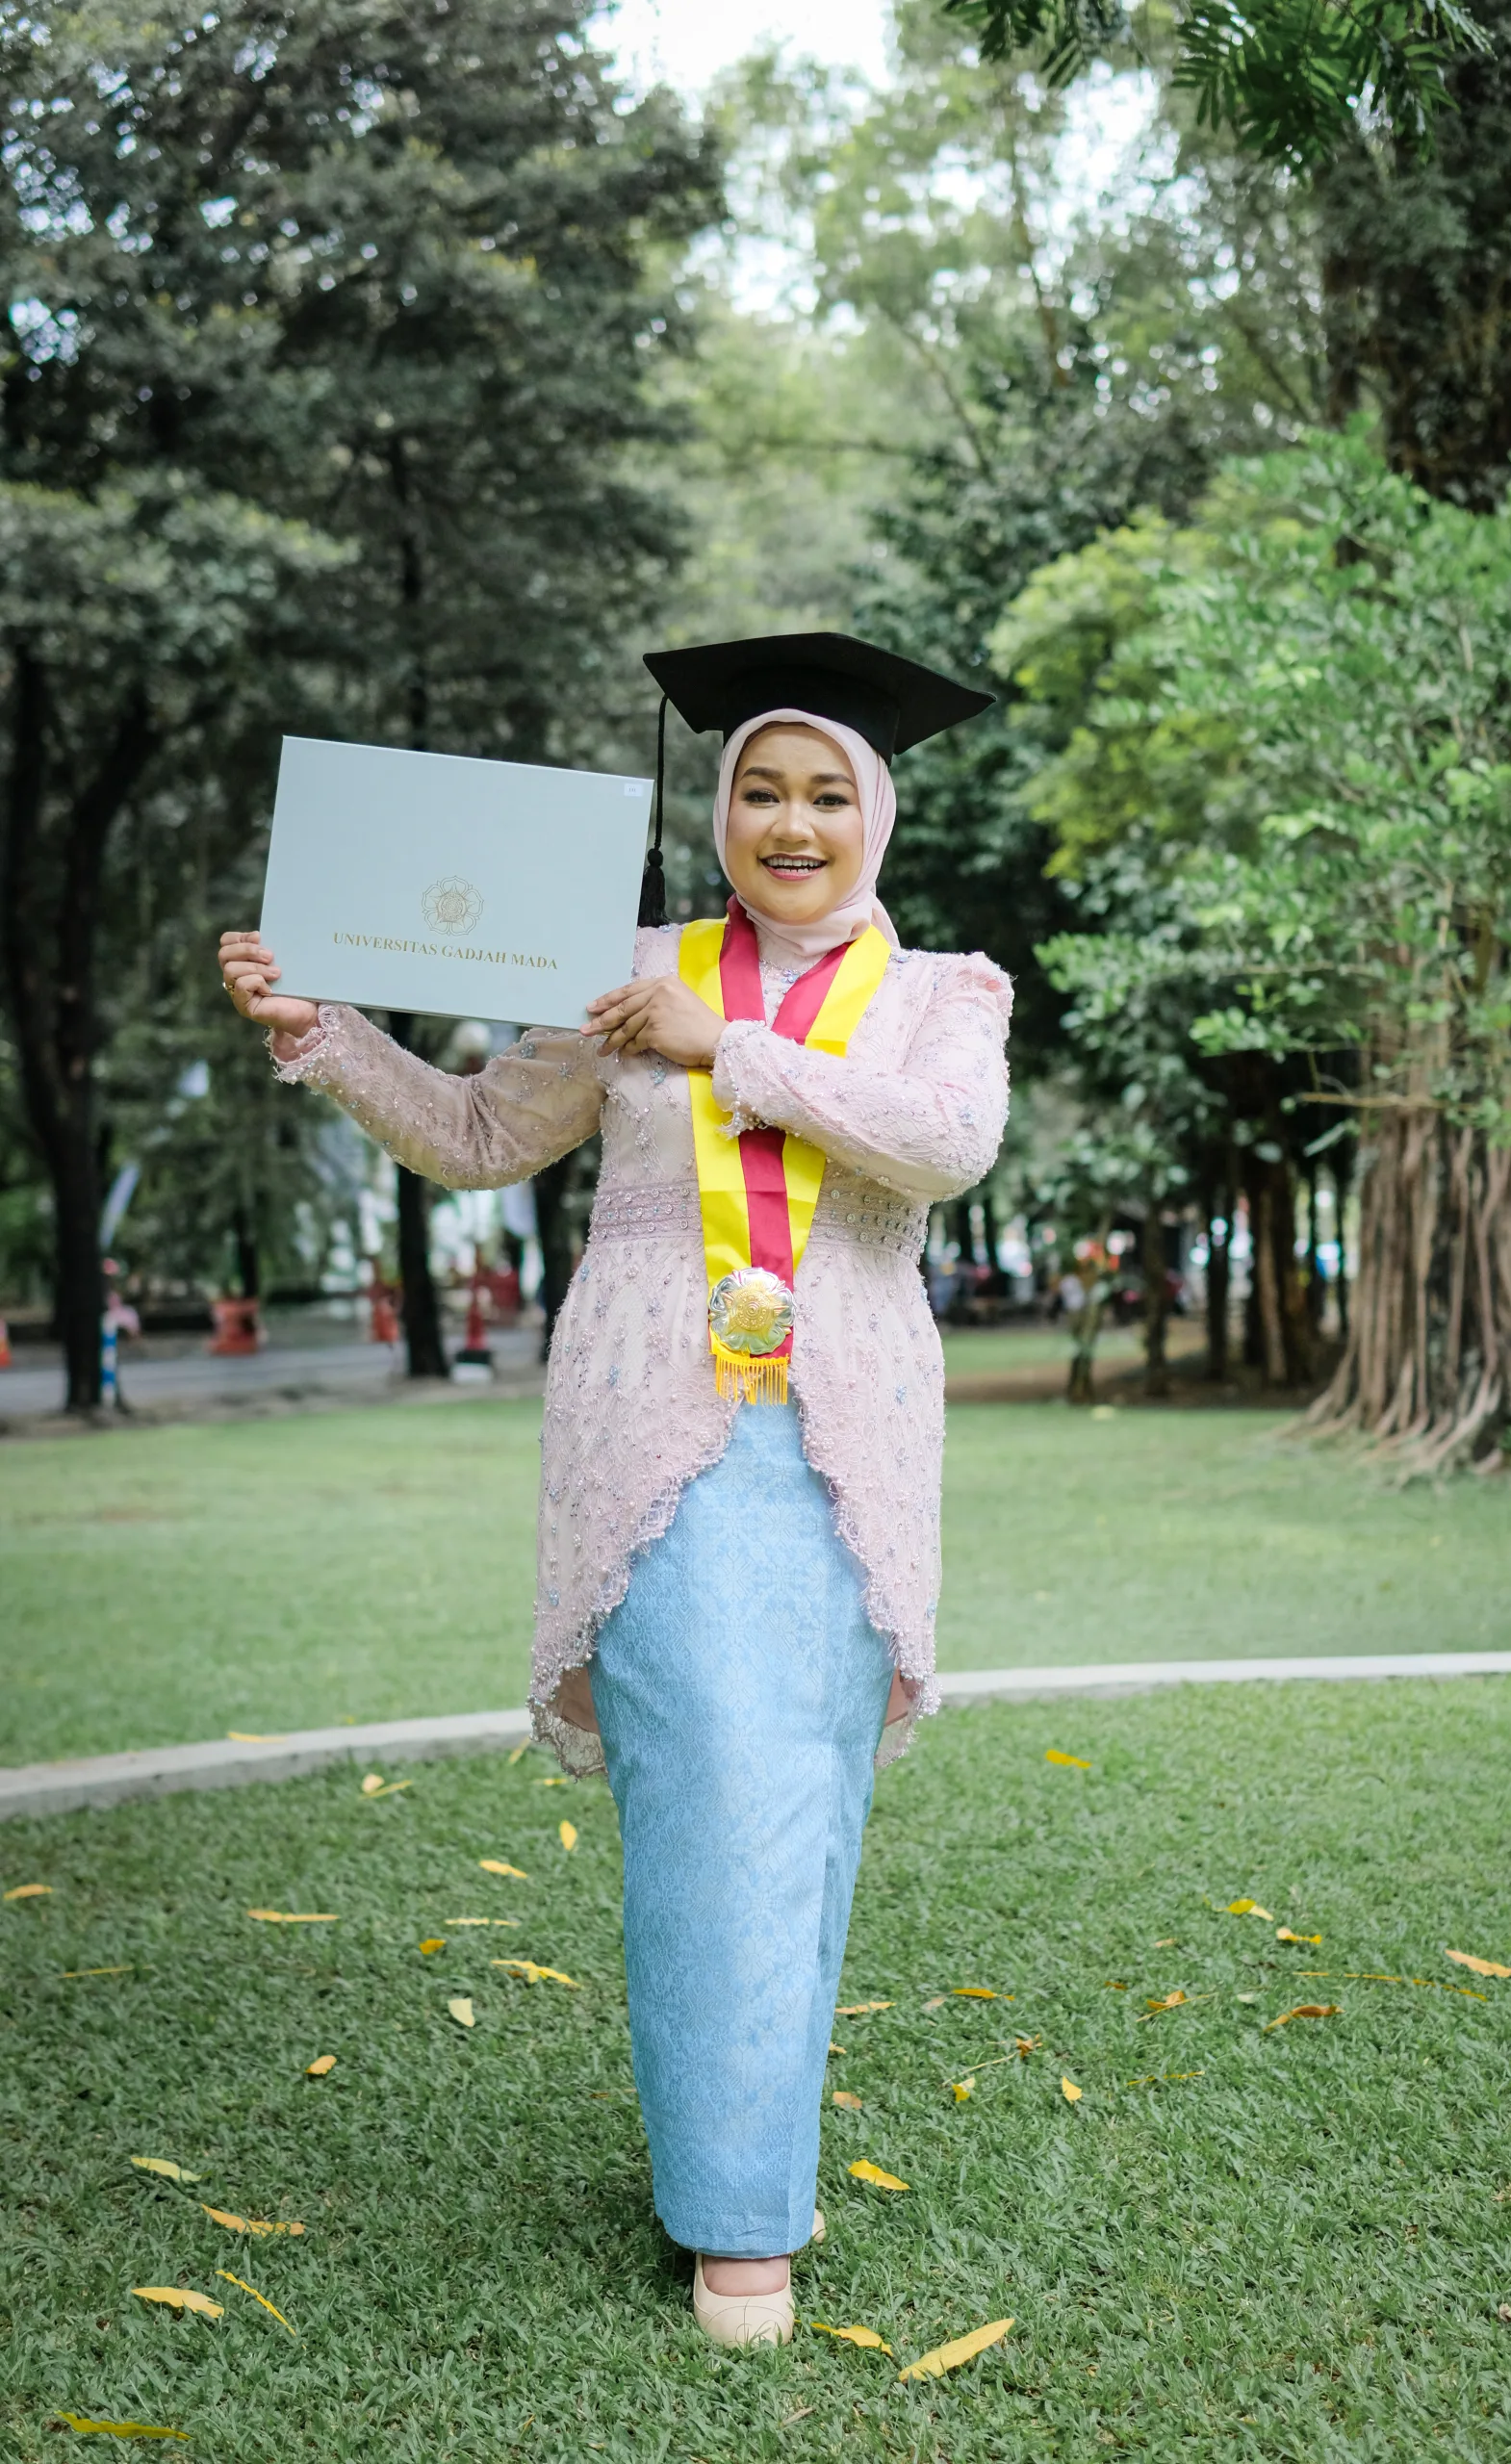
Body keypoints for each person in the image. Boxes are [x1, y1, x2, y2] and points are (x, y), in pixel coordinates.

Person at [218, 631, 1011, 2347]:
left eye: (824, 793)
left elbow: (943, 1147)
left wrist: (720, 1043)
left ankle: (743, 2152)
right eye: (755, 789)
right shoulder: (624, 962)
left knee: (797, 1802)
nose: (787, 822)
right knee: (712, 1786)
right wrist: (321, 1030)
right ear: (717, 806)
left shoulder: (948, 993)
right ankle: (741, 2219)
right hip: (656, 1433)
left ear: (874, 812)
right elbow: (488, 1134)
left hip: (844, 1437)